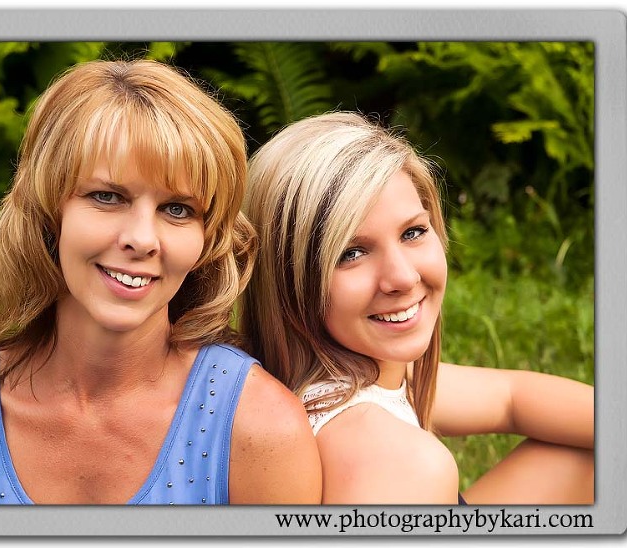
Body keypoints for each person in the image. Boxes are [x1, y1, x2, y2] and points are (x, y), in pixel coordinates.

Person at [0, 59, 321, 505]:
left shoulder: (260, 430)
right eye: (107, 196)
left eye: (177, 209)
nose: (142, 239)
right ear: (47, 212)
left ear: (208, 238)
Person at [240, 111, 594, 505]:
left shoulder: (354, 378)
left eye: (413, 232)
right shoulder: (398, 462)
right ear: (288, 283)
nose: (404, 277)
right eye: (351, 253)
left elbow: (510, 399)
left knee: (588, 458)